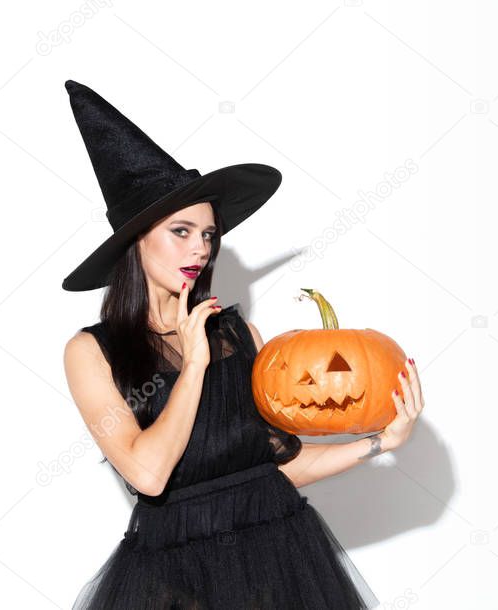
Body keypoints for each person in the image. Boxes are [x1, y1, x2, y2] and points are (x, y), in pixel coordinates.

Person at [60, 80, 424, 609]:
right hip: (175, 579)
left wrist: (379, 443)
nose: (200, 249)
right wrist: (193, 368)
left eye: (208, 235)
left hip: (279, 561)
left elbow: (276, 465)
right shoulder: (92, 353)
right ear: (136, 240)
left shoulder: (238, 335)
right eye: (181, 231)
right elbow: (148, 473)